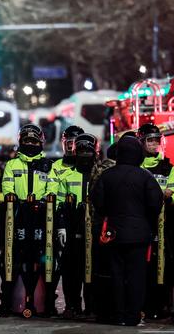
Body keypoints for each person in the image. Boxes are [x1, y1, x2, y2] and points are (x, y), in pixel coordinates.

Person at [92, 136, 163, 326]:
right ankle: (133, 315)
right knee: (137, 276)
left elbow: (97, 203)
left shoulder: (107, 175)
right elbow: (156, 203)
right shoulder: (145, 176)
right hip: (139, 234)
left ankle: (119, 314)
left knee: (116, 275)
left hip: (113, 234)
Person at [0, 124, 57, 317]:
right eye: (26, 141)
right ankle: (7, 301)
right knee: (14, 259)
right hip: (18, 216)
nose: (30, 144)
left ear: (41, 142)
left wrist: (44, 203)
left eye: (33, 141)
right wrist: (14, 200)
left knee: (45, 260)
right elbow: (7, 186)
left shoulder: (49, 165)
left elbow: (52, 188)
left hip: (42, 218)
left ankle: (47, 302)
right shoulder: (12, 165)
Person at [137, 123, 174, 319]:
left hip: (163, 223)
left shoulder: (167, 167)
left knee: (162, 264)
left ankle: (162, 304)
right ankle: (143, 304)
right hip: (142, 221)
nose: (154, 145)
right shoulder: (136, 166)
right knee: (142, 265)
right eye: (150, 140)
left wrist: (169, 195)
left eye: (157, 140)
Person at [56, 133, 102, 318]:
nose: (84, 154)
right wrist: (60, 226)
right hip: (72, 227)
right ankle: (72, 306)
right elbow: (59, 203)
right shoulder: (67, 175)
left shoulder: (100, 175)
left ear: (95, 152)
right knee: (71, 271)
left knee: (92, 270)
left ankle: (91, 307)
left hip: (94, 229)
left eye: (88, 151)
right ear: (75, 151)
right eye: (81, 150)